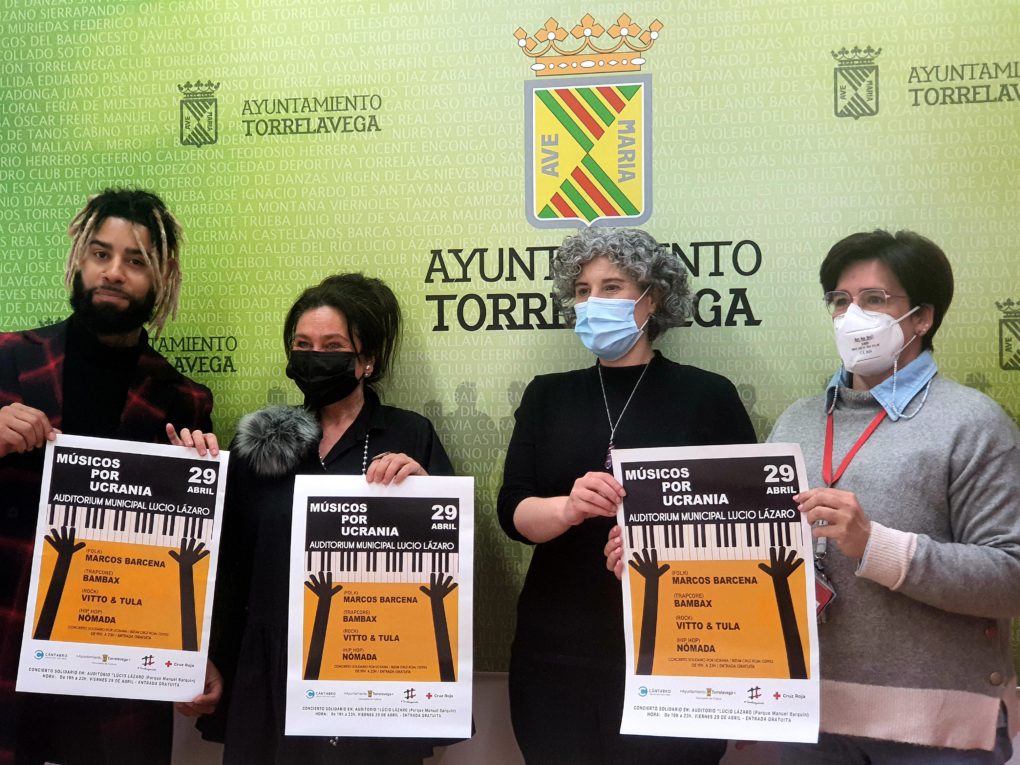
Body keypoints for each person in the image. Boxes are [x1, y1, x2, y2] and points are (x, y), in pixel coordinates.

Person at [604, 229, 1020, 763]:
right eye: (841, 301)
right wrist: (658, 559)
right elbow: (752, 559)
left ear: (922, 318)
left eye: (875, 299)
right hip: (810, 721)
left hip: (938, 729)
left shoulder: (972, 422)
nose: (852, 316)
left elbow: (1010, 579)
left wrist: (874, 545)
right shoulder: (797, 421)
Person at [497, 227, 755, 765]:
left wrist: (658, 551)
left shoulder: (708, 395)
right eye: (583, 290)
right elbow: (513, 511)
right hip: (557, 650)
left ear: (652, 298)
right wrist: (567, 508)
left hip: (680, 649)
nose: (593, 301)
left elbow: (747, 527)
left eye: (611, 287)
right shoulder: (547, 395)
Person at [0, 189, 221, 765]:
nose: (114, 272)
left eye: (136, 260)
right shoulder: (7, 358)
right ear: (80, 259)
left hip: (117, 666)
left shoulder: (185, 400)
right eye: (101, 254)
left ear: (162, 278)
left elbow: (189, 554)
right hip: (7, 645)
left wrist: (197, 473)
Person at [201, 273, 454, 764]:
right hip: (270, 668)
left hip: (374, 663)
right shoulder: (260, 442)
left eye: (333, 346)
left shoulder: (409, 434)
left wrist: (424, 494)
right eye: (303, 345)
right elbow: (229, 568)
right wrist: (201, 658)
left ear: (366, 360)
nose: (315, 357)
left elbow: (446, 564)